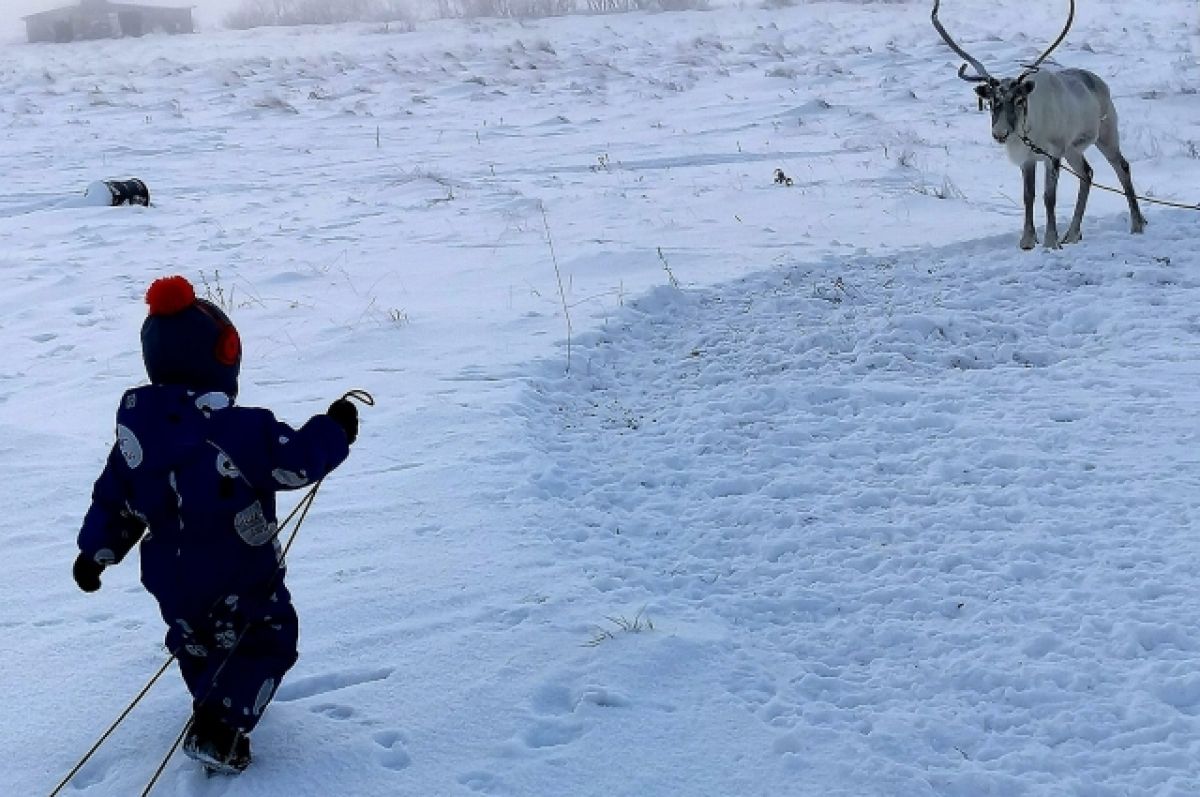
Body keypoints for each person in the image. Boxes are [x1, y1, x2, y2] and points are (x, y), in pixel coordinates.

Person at [72, 275, 359, 774]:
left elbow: (114, 500)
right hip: (238, 572)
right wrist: (334, 429)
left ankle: (211, 705)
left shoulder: (136, 442)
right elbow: (297, 460)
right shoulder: (241, 431)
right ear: (222, 359)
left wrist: (95, 553)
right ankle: (220, 728)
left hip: (171, 579)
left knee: (196, 641)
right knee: (268, 637)